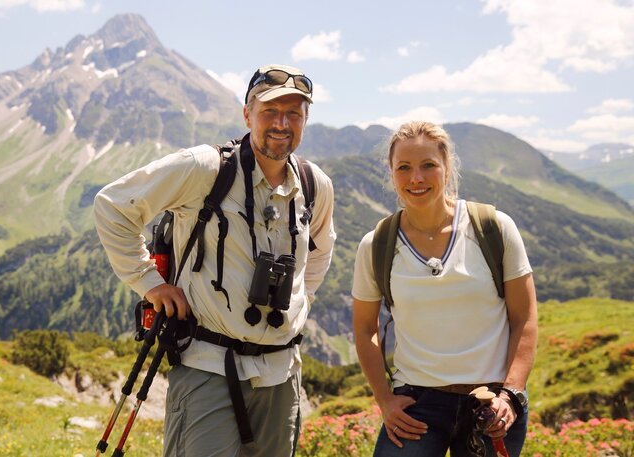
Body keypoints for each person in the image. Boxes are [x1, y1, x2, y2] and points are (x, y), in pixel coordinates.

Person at [94, 63, 336, 457]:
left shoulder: (314, 185)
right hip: (209, 370)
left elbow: (320, 250)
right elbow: (113, 205)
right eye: (269, 111)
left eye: (294, 112)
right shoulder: (206, 168)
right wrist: (149, 282)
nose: (282, 122)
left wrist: (300, 300)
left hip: (281, 375)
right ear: (247, 114)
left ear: (306, 119)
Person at [351, 121, 538, 456]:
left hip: (491, 403)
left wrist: (511, 393)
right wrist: (385, 399)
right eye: (404, 168)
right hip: (417, 404)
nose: (416, 178)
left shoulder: (494, 228)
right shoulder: (376, 244)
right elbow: (366, 328)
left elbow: (524, 317)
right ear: (392, 173)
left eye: (428, 166)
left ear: (447, 167)